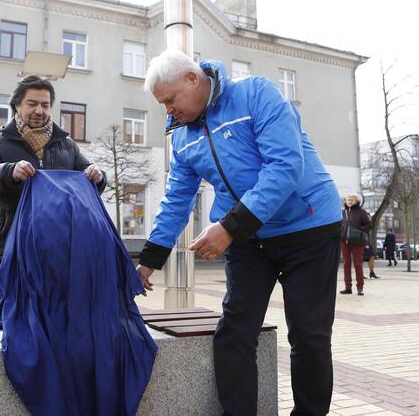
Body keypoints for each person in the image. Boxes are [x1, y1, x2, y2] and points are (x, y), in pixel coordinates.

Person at [135, 50, 342, 416]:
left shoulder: (255, 95)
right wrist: (149, 261)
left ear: (192, 79)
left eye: (170, 100)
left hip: (308, 227)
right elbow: (177, 200)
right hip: (249, 240)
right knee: (233, 331)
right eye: (161, 104)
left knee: (309, 335)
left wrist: (230, 227)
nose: (167, 110)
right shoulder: (182, 137)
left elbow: (285, 165)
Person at [0, 75, 106, 267]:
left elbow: (89, 177)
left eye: (45, 105)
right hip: (13, 245)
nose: (39, 111)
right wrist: (9, 172)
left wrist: (98, 177)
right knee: (15, 298)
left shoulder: (66, 145)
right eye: (32, 103)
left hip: (60, 247)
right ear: (17, 105)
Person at [340, 193, 371, 295]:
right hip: (344, 241)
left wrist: (359, 231)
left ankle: (360, 287)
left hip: (357, 241)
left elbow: (369, 225)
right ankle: (348, 287)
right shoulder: (342, 212)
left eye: (351, 199)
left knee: (358, 264)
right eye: (348, 199)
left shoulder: (361, 212)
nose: (349, 201)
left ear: (357, 201)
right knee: (346, 264)